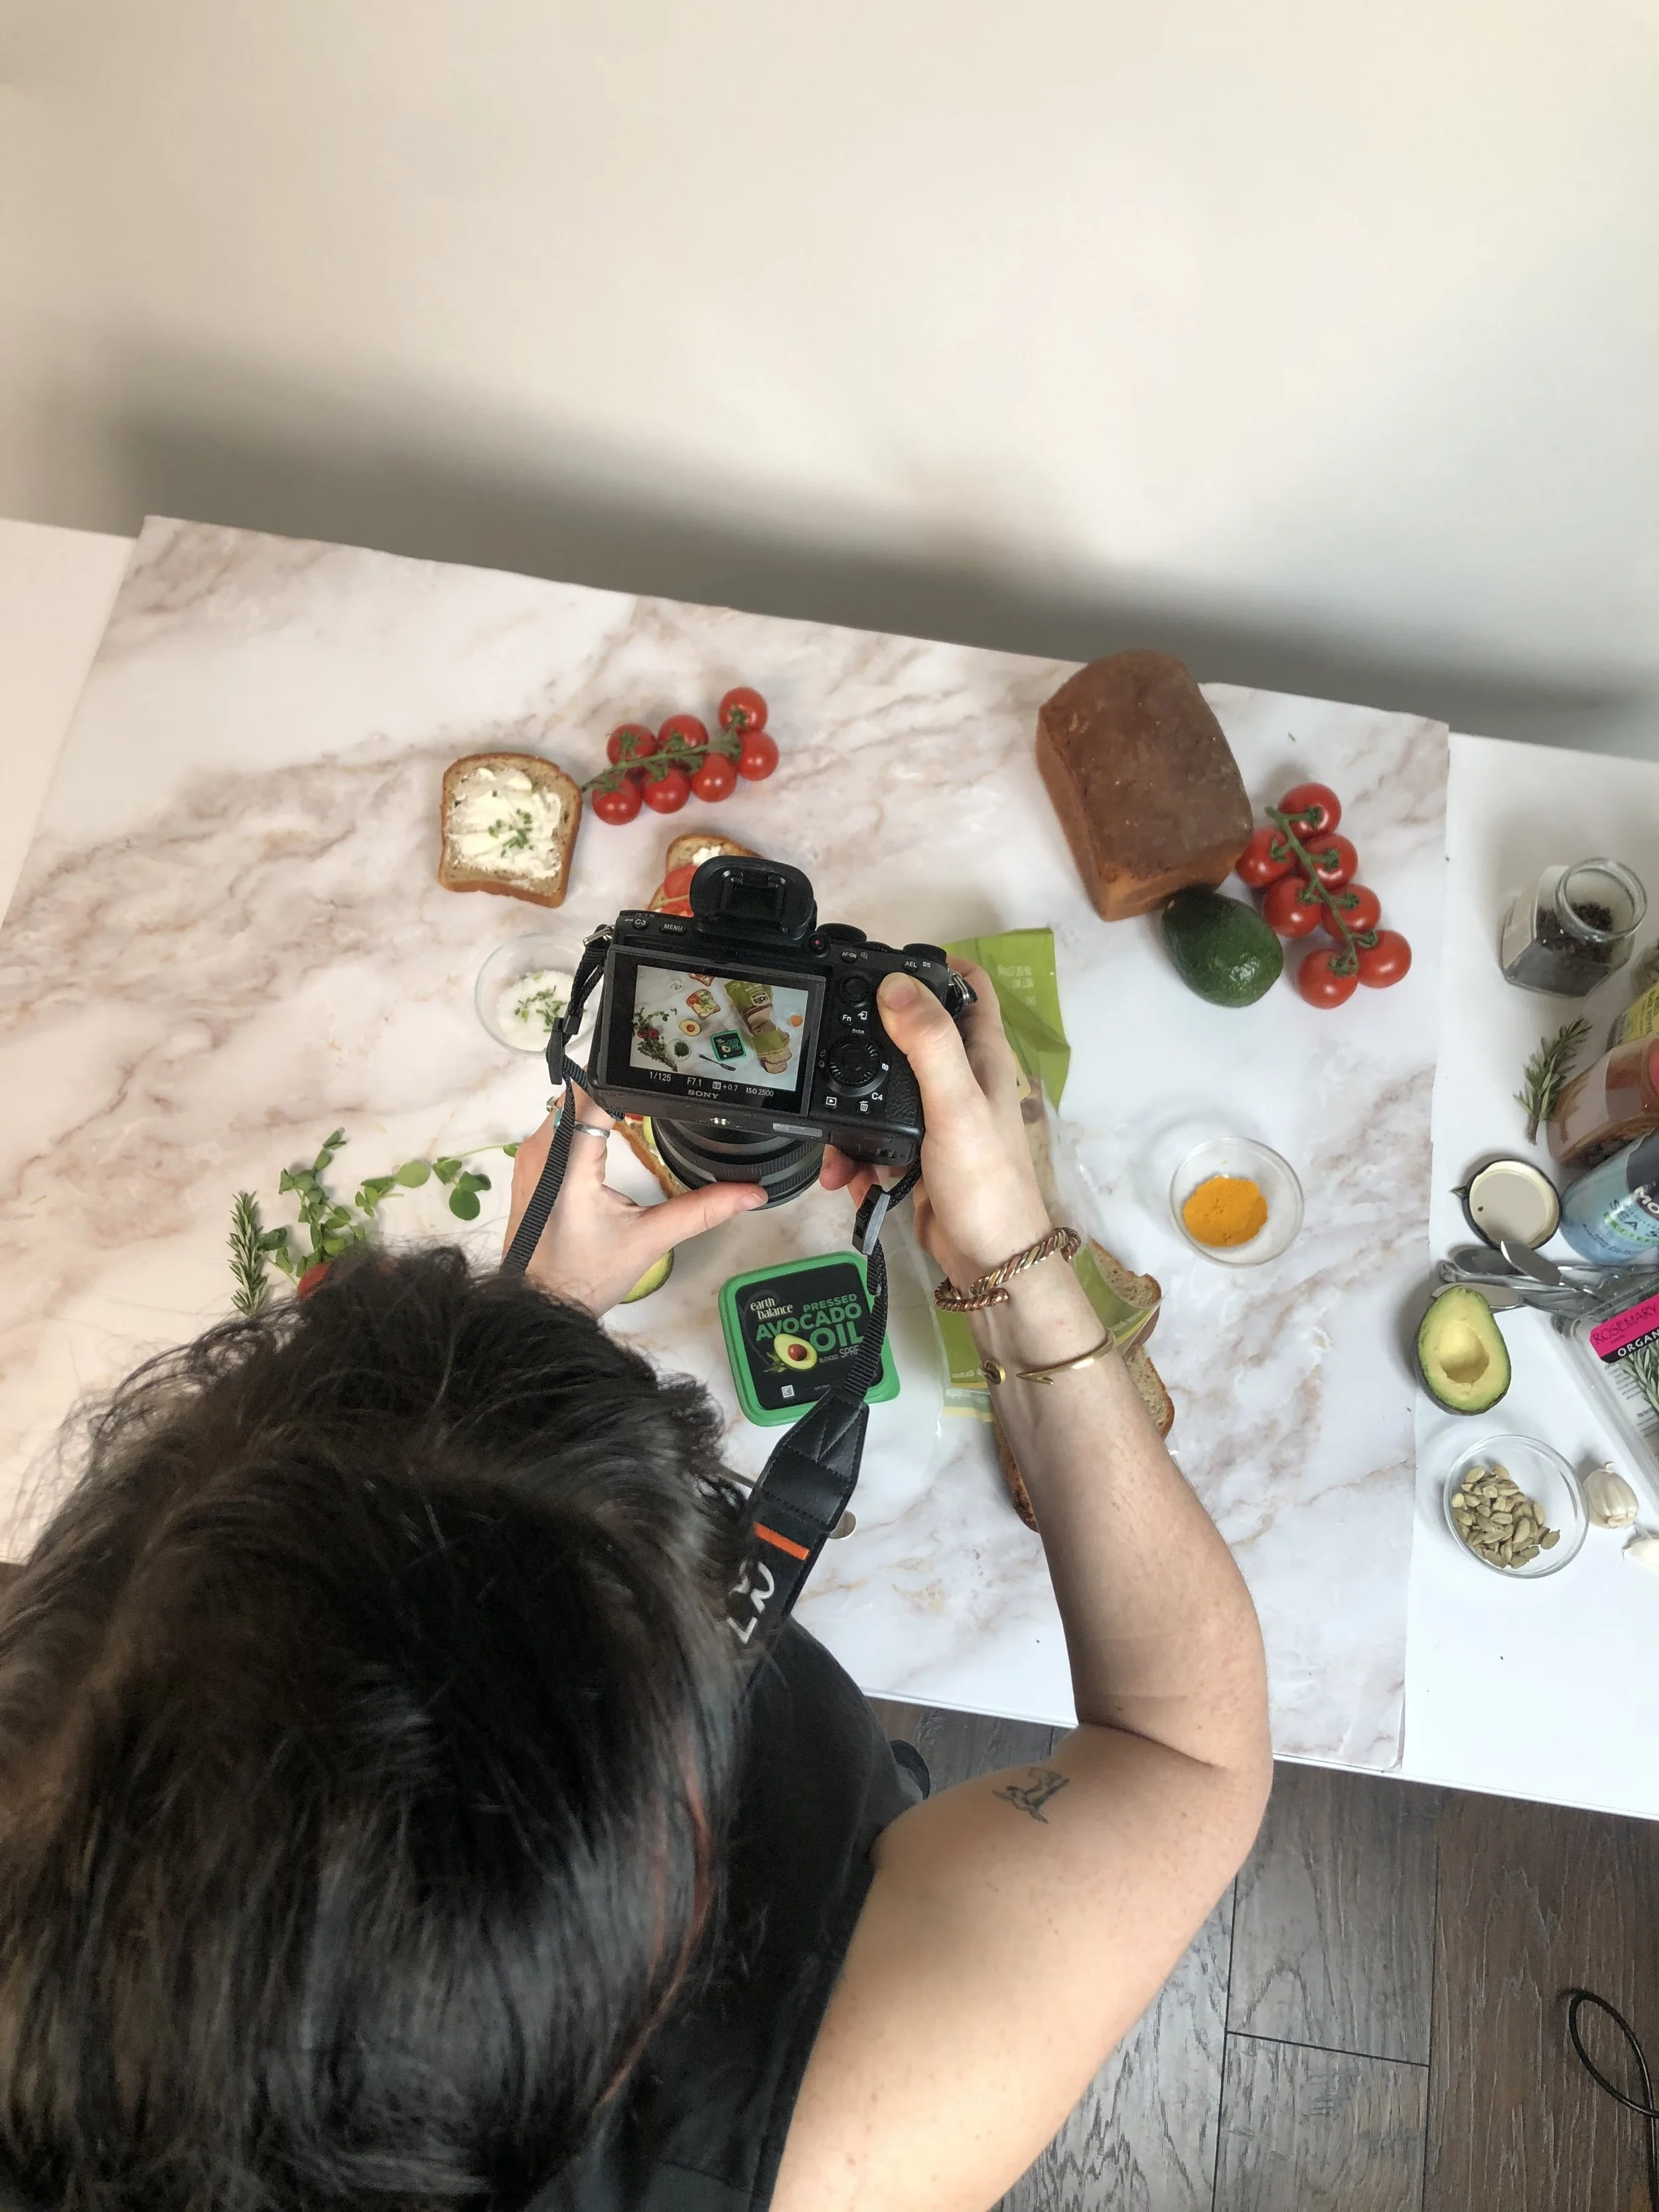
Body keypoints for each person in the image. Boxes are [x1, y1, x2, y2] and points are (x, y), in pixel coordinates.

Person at [0, 964, 1271, 2212]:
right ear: (655, 1936)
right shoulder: (824, 2152)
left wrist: (525, 1346)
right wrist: (1011, 1252)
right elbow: (1184, 1749)